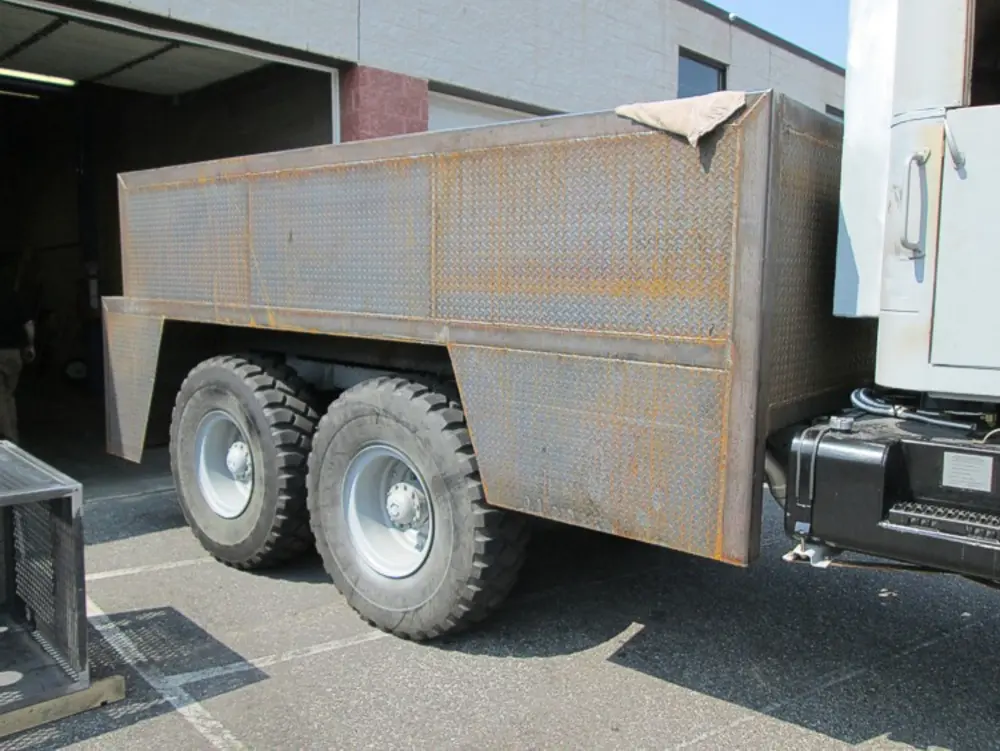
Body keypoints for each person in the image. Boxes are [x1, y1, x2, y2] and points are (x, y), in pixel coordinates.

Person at [0, 289, 35, 443]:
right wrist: (31, 345)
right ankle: (12, 434)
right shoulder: (14, 297)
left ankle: (9, 438)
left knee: (1, 397)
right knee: (8, 396)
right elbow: (28, 323)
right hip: (13, 354)